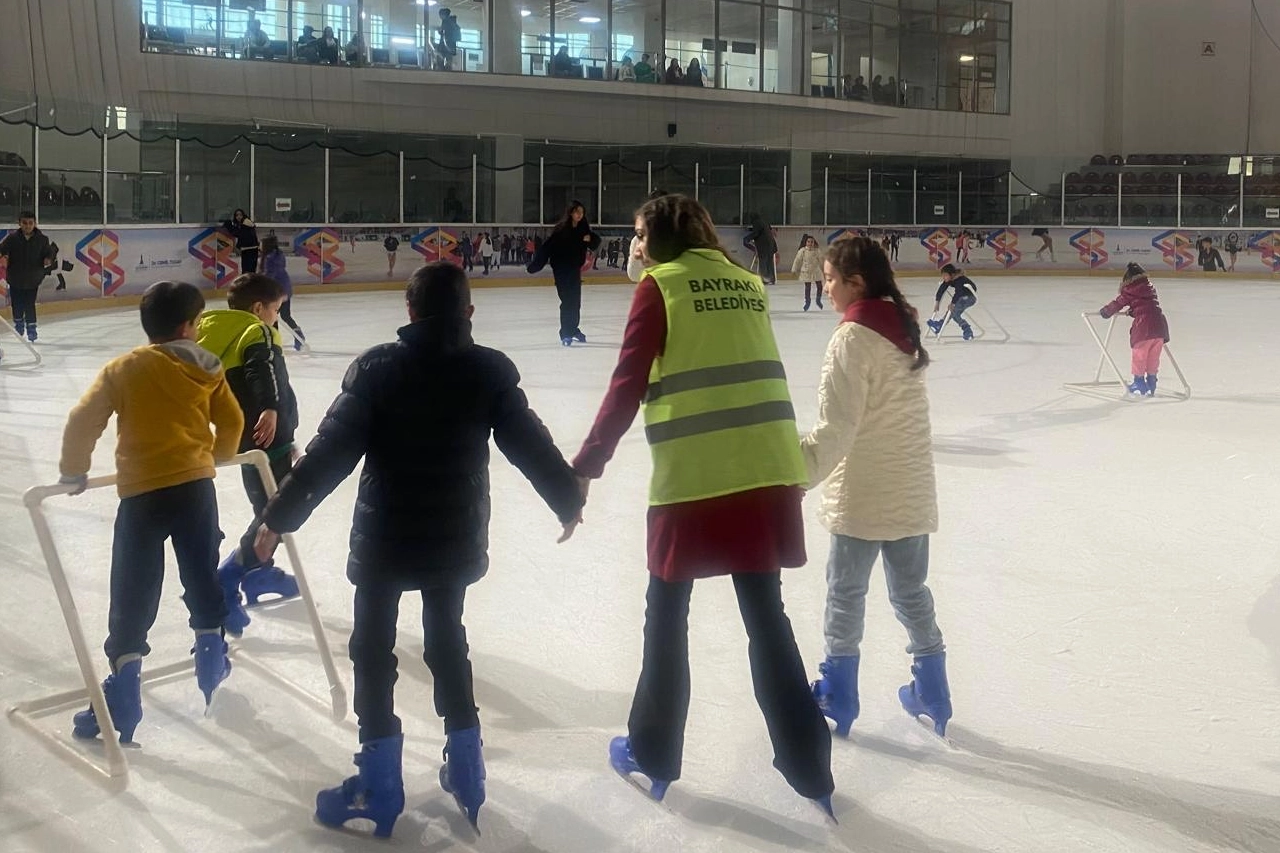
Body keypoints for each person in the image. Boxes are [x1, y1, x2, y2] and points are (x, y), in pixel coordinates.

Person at [251, 262, 585, 837]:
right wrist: (565, 498)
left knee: (372, 648)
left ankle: (378, 781)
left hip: (385, 539)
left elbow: (327, 455)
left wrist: (276, 518)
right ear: (468, 313)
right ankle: (469, 767)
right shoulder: (487, 372)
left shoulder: (378, 369)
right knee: (447, 640)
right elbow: (529, 442)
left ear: (408, 313)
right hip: (453, 539)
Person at [572, 193, 835, 815]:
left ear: (658, 237)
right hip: (766, 473)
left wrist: (584, 469)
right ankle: (810, 769)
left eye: (638, 234)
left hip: (696, 479)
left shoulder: (661, 285)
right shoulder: (746, 282)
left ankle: (652, 753)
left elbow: (626, 385)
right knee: (767, 621)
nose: (633, 246)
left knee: (666, 619)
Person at [61, 281, 244, 742]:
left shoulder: (124, 368)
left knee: (133, 585)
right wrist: (214, 456)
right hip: (195, 489)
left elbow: (83, 418)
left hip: (142, 494)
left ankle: (123, 690)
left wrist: (74, 471)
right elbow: (233, 422)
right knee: (201, 572)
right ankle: (211, 653)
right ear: (188, 327)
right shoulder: (210, 368)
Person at [801, 236, 951, 739]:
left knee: (845, 593)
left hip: (864, 489)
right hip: (909, 486)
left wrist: (795, 475)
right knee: (911, 591)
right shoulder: (901, 327)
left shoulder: (851, 338)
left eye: (829, 279)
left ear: (855, 282)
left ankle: (838, 694)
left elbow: (837, 428)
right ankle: (934, 689)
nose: (825, 289)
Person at [196, 273, 302, 635]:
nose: (277, 317)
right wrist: (272, 409)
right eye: (276, 309)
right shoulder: (256, 331)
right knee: (280, 508)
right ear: (259, 308)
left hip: (243, 436)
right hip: (269, 435)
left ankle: (258, 573)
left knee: (267, 506)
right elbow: (262, 369)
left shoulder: (215, 334)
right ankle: (233, 572)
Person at [526, 200, 600, 346]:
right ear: (571, 213)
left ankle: (573, 329)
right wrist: (534, 266)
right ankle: (565, 332)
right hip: (561, 271)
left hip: (574, 270)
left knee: (575, 302)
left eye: (582, 212)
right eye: (577, 212)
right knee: (567, 301)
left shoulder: (583, 229)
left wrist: (590, 239)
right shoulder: (561, 231)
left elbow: (595, 240)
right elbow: (547, 248)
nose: (580, 215)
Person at [1100, 262, 1171, 397]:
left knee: (1140, 354)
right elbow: (1146, 305)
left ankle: (1139, 381)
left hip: (1144, 327)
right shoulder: (1149, 287)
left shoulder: (1130, 289)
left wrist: (1106, 312)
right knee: (1153, 356)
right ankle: (1151, 380)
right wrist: (1133, 311)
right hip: (1160, 326)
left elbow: (1118, 303)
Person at [0, 211, 54, 342]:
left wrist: (48, 259)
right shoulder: (12, 238)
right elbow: (2, 249)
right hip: (15, 277)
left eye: (30, 223)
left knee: (30, 303)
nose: (27, 226)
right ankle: (18, 323)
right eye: (24, 223)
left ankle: (31, 328)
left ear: (35, 224)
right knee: (17, 303)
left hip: (33, 278)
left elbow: (50, 252)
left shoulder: (42, 239)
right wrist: (3, 256)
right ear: (19, 223)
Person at [261, 234, 306, 350]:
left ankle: (274, 340)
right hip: (284, 288)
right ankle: (297, 334)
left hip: (277, 291)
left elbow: (270, 274)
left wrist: (259, 283)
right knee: (284, 316)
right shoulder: (278, 254)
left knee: (272, 316)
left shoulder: (270, 258)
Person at [927, 263, 978, 341]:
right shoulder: (950, 279)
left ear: (952, 274)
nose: (943, 277)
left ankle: (941, 325)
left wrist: (953, 303)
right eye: (942, 275)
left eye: (945, 275)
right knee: (954, 313)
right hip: (961, 297)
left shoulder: (959, 280)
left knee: (953, 311)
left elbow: (959, 292)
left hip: (969, 297)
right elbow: (942, 289)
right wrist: (937, 302)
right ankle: (966, 330)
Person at [792, 234, 824, 312]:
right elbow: (797, 260)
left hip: (816, 271)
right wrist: (794, 269)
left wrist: (825, 269)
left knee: (819, 286)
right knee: (807, 288)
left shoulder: (817, 251)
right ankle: (807, 302)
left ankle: (818, 300)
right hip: (806, 271)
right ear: (805, 242)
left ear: (814, 243)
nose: (810, 243)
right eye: (808, 242)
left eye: (811, 242)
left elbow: (822, 260)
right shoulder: (802, 251)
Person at [223, 208, 260, 274]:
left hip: (251, 250)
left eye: (240, 215)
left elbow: (239, 234)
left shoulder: (246, 223)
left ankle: (248, 284)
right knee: (248, 271)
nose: (238, 217)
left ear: (243, 215)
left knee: (248, 271)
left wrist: (229, 226)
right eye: (237, 215)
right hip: (247, 250)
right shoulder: (241, 224)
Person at [746, 214, 778, 286]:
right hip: (771, 245)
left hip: (764, 246)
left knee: (763, 262)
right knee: (769, 263)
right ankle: (771, 279)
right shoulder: (764, 222)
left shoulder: (756, 222)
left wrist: (748, 238)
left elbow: (756, 233)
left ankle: (765, 279)